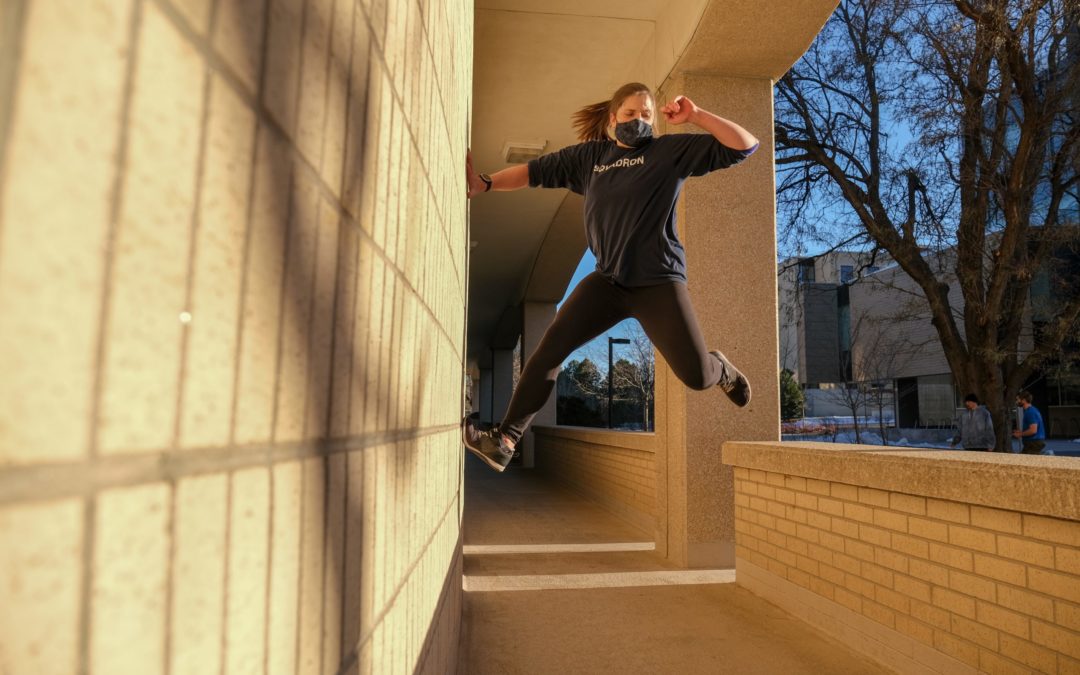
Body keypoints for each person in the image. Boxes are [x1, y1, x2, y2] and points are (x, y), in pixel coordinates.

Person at [462, 82, 758, 471]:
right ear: (613, 118)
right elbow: (534, 172)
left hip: (659, 282)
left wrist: (696, 116)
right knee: (548, 351)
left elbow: (746, 146)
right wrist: (484, 183)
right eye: (631, 114)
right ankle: (505, 439)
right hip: (607, 283)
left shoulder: (668, 152)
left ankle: (718, 367)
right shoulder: (591, 158)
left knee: (697, 376)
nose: (639, 121)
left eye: (647, 114)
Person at [1013, 390, 1050, 455]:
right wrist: (1021, 432)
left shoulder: (1030, 412)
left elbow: (1033, 430)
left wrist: (1021, 434)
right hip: (1033, 442)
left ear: (1024, 400)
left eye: (1018, 399)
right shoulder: (1032, 410)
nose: (1017, 402)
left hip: (1033, 442)